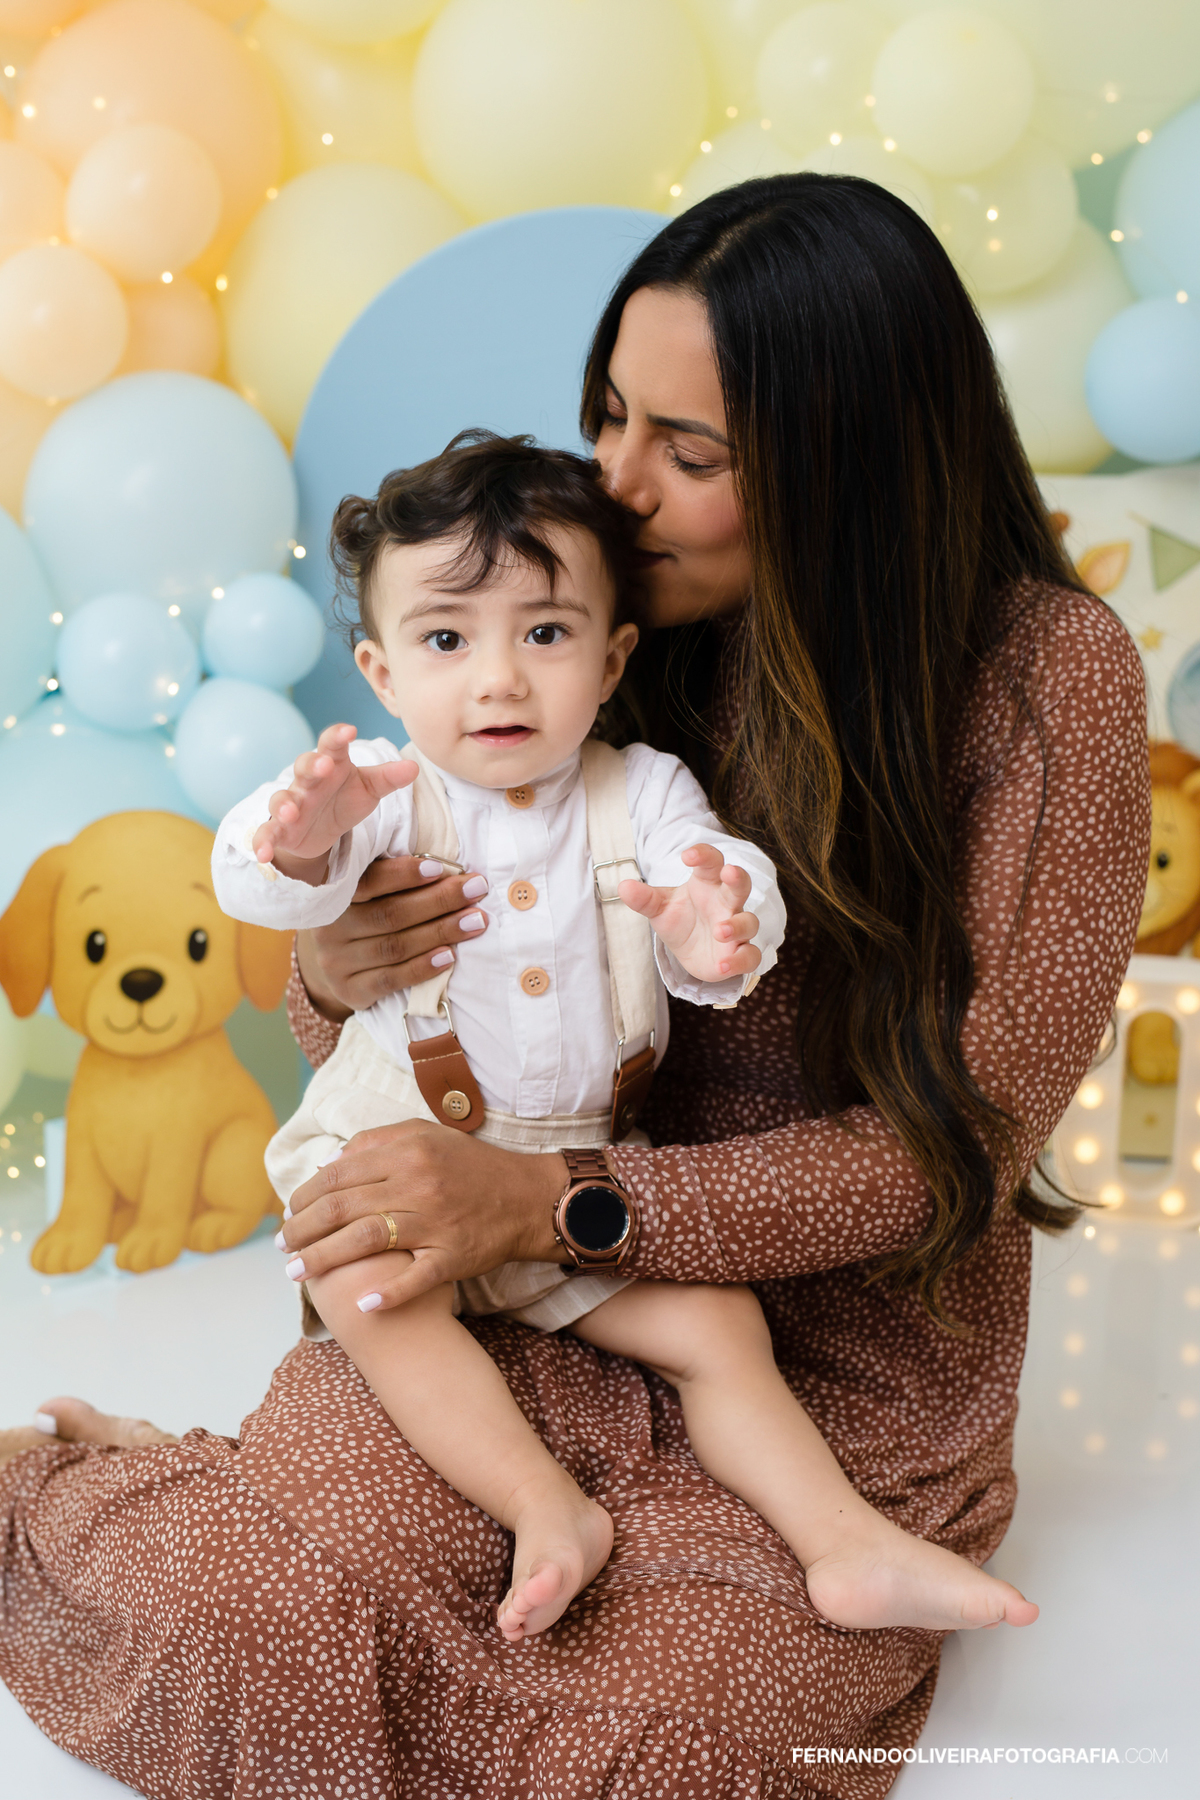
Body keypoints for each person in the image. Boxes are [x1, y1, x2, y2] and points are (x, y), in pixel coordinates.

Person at [0, 174, 1148, 1799]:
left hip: (828, 1386)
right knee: (237, 1626)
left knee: (677, 1755)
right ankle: (124, 1492)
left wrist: (551, 1203)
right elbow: (392, 1027)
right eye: (610, 415)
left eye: (689, 454)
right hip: (495, 1316)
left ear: (855, 467)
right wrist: (339, 964)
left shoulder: (1043, 692)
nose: (613, 487)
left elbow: (945, 1149)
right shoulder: (574, 619)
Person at [215, 427, 1038, 1645]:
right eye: (447, 640)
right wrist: (296, 839)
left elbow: (713, 889)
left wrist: (718, 923)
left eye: (543, 634)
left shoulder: (643, 788)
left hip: (572, 1174)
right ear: (381, 673)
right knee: (372, 1295)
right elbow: (267, 884)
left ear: (612, 659)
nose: (497, 680)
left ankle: (845, 1542)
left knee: (718, 1326)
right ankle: (547, 1507)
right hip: (399, 1152)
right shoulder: (382, 795)